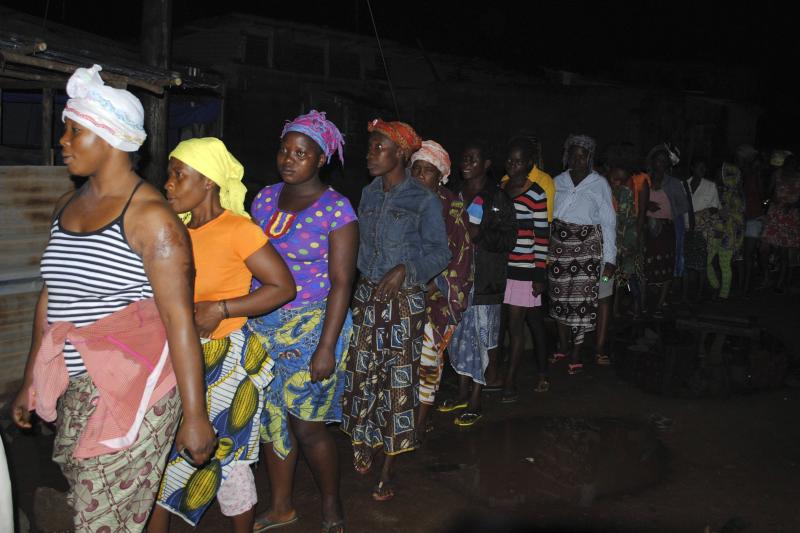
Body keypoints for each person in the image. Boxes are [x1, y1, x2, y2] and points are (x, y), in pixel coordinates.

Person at [9, 64, 217, 532]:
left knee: (101, 522)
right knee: (90, 506)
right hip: (79, 386)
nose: (62, 140)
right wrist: (31, 380)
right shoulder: (68, 207)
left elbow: (179, 321)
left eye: (73, 130)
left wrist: (197, 415)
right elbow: (52, 297)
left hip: (136, 389)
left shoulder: (151, 219)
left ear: (109, 138)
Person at [148, 138, 295, 532]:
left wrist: (222, 308)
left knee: (226, 459)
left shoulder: (238, 230)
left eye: (180, 175)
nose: (169, 184)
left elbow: (283, 287)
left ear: (208, 182)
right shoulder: (173, 231)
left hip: (228, 359)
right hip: (182, 353)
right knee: (165, 453)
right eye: (170, 174)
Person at [247, 111, 357, 533]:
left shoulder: (337, 210)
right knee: (273, 420)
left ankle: (332, 502)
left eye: (301, 153)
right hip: (263, 324)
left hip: (314, 327)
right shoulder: (263, 198)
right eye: (285, 150)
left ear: (321, 158)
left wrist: (327, 345)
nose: (289, 159)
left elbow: (343, 282)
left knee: (306, 425)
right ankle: (281, 507)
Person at [340, 119, 449, 502]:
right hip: (367, 297)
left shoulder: (423, 200)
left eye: (378, 148)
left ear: (401, 154)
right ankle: (363, 437)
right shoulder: (368, 194)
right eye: (370, 148)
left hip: (404, 303)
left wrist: (407, 270)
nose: (370, 155)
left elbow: (441, 252)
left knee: (397, 384)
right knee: (361, 373)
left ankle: (389, 464)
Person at [442, 141, 511, 426]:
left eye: (473, 158)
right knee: (458, 339)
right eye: (464, 157)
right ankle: (461, 393)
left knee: (482, 341)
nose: (466, 162)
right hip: (457, 279)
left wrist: (478, 234)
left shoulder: (497, 197)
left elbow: (509, 240)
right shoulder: (455, 194)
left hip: (484, 281)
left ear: (486, 164)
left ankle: (476, 400)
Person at [409, 141, 473, 434]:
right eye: (416, 168)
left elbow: (462, 258)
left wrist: (449, 301)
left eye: (427, 171)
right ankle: (413, 417)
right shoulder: (402, 200)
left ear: (441, 176)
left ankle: (419, 425)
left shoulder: (453, 206)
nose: (419, 175)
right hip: (404, 295)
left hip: (438, 296)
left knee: (427, 363)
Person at [549, 134, 616, 375]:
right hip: (559, 248)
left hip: (588, 249)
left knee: (581, 301)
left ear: (589, 157)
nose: (578, 160)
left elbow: (608, 222)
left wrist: (610, 260)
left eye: (583, 155)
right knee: (559, 297)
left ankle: (576, 352)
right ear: (567, 156)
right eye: (574, 154)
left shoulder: (599, 184)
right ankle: (563, 345)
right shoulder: (557, 181)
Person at [497, 137, 553, 398]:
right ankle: (501, 374)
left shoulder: (536, 194)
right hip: (502, 266)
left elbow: (542, 236)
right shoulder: (502, 187)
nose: (512, 165)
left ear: (528, 164)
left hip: (524, 268)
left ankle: (510, 380)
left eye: (518, 161)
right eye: (509, 159)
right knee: (506, 323)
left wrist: (539, 274)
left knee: (516, 326)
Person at [642, 143, 689, 317]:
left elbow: (684, 205)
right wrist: (647, 205)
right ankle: (642, 302)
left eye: (664, 161)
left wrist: (665, 213)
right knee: (645, 265)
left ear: (668, 165)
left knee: (665, 265)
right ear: (652, 162)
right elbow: (634, 203)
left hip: (666, 229)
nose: (660, 164)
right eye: (658, 161)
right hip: (646, 227)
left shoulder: (674, 183)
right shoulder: (643, 180)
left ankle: (661, 303)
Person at [682, 157, 720, 301]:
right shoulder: (683, 185)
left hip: (702, 231)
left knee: (701, 266)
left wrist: (699, 216)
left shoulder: (711, 186)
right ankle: (685, 295)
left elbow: (715, 209)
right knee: (686, 265)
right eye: (700, 167)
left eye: (705, 168)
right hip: (686, 230)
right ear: (692, 168)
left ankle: (698, 295)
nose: (703, 170)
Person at [761, 154, 800, 291]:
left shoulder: (798, 177)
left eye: (794, 163)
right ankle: (767, 277)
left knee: (784, 252)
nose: (791, 165)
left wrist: (794, 205)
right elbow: (768, 191)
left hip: (790, 216)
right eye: (790, 162)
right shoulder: (777, 174)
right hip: (775, 213)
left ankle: (780, 283)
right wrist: (770, 201)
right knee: (764, 248)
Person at [707, 161, 745, 300]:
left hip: (725, 233)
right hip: (725, 233)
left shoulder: (730, 193)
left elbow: (726, 215)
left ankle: (722, 292)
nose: (718, 175)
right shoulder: (732, 191)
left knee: (721, 264)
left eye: (721, 173)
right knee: (711, 262)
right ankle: (720, 289)